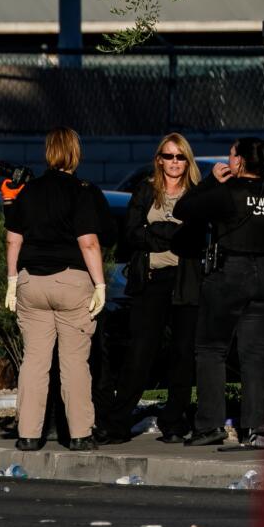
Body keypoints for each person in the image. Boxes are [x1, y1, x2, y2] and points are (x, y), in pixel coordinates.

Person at [174, 137, 264, 446]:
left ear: (241, 162)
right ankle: (254, 428)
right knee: (257, 353)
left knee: (211, 349)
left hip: (230, 272)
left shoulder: (225, 194)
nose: (228, 160)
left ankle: (210, 425)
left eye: (232, 155)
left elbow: (183, 209)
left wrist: (209, 181)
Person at [4, 128, 113, 452]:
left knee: (34, 360)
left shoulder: (29, 192)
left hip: (31, 282)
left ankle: (28, 434)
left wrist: (11, 280)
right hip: (71, 280)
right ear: (75, 153)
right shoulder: (82, 191)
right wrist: (100, 284)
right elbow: (89, 242)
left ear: (48, 152)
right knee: (74, 361)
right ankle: (79, 434)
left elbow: (13, 238)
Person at [97, 133, 203, 445]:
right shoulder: (146, 190)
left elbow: (196, 238)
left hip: (185, 279)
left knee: (183, 353)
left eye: (180, 157)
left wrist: (156, 231)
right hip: (151, 279)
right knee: (141, 351)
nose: (174, 163)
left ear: (187, 161)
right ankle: (117, 422)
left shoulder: (195, 194)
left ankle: (174, 422)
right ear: (158, 159)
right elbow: (130, 234)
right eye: (168, 156)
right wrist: (170, 234)